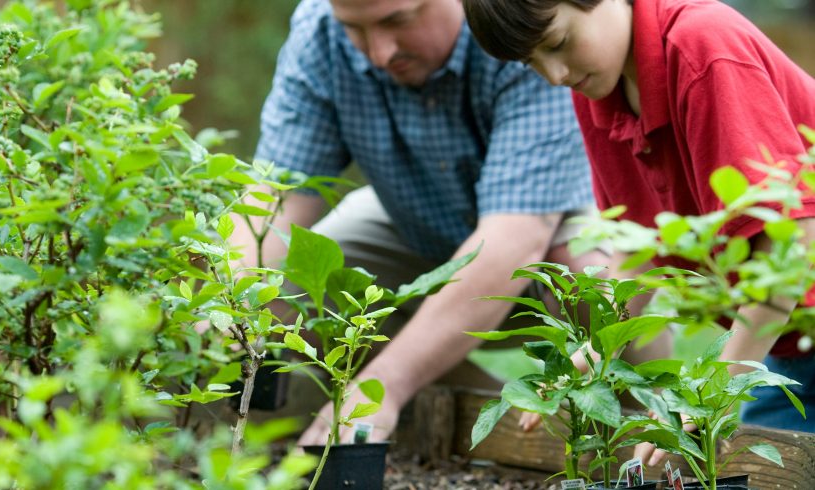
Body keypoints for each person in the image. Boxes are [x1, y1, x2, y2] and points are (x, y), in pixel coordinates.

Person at [227, 0, 652, 446]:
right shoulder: (319, 32)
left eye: (398, 21)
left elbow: (514, 238)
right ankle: (464, 408)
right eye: (356, 29)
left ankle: (645, 413)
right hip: (411, 221)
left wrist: (381, 388)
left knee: (589, 280)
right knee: (293, 282)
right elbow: (276, 201)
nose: (379, 52)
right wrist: (229, 308)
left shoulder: (519, 23)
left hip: (547, 222)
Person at [462, 0, 815, 460]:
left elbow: (795, 239)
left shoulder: (701, 46)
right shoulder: (598, 90)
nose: (555, 75)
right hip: (790, 348)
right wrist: (591, 357)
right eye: (532, 62)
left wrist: (706, 394)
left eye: (558, 43)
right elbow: (642, 247)